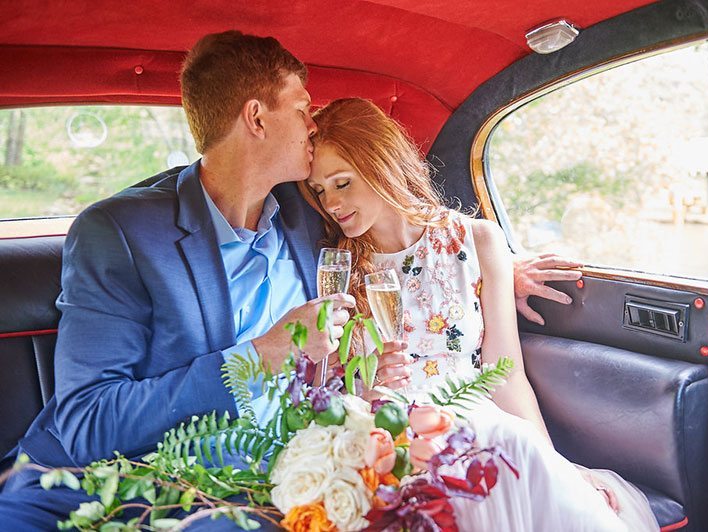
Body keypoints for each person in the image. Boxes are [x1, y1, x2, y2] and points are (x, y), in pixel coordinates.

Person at [0, 32, 579, 529]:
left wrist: (496, 270)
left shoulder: (311, 214)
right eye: (303, 109)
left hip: (283, 474)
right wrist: (257, 358)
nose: (313, 124)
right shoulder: (119, 233)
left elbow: (406, 239)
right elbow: (86, 422)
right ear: (257, 117)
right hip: (129, 481)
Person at [303, 98, 659, 531]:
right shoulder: (334, 269)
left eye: (342, 183)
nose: (332, 204)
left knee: (514, 456)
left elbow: (505, 374)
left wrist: (556, 465)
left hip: (474, 421)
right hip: (385, 437)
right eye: (320, 191)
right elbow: (328, 382)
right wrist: (369, 384)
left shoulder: (478, 241)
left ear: (381, 165)